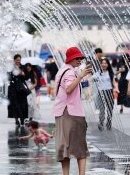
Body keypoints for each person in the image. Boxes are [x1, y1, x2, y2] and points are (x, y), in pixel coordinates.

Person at [53, 46, 92, 175]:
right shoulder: (70, 72)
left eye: (81, 58)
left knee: (64, 148)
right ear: (71, 59)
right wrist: (80, 76)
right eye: (77, 58)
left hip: (62, 112)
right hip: (71, 113)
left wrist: (83, 78)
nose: (80, 60)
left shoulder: (63, 70)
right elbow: (69, 89)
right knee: (80, 147)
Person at [93, 57, 115, 131]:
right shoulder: (97, 73)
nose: (104, 64)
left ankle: (109, 122)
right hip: (101, 93)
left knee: (109, 110)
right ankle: (101, 123)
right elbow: (92, 79)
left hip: (109, 92)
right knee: (102, 110)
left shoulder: (111, 73)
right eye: (102, 63)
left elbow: (114, 82)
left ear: (108, 64)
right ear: (100, 64)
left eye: (105, 63)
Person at [8, 54, 29, 126]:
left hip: (21, 89)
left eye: (19, 60)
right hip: (13, 88)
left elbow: (26, 77)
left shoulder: (23, 67)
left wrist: (22, 74)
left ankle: (22, 119)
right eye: (17, 60)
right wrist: (16, 74)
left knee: (23, 104)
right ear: (14, 60)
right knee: (15, 104)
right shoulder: (11, 68)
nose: (18, 61)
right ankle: (16, 119)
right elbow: (9, 78)